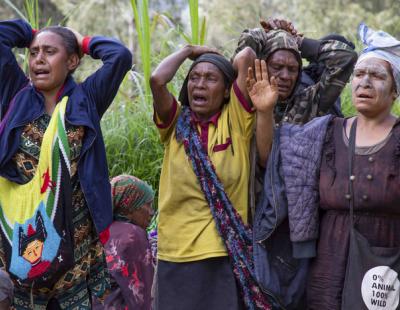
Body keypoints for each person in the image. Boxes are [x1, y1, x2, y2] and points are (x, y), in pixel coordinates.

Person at [257, 24, 400, 309]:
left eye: (377, 76)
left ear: (395, 90)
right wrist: (264, 111)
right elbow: (271, 159)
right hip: (327, 265)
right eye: (359, 74)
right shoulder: (324, 133)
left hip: (386, 267)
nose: (365, 82)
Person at [0, 19, 132, 309]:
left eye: (50, 51)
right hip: (19, 236)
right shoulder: (14, 93)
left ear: (72, 61)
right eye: (34, 52)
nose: (38, 60)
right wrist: (31, 34)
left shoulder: (86, 99)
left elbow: (120, 56)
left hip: (76, 240)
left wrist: (81, 40)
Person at [150, 44, 278, 309]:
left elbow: (246, 57)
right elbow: (157, 80)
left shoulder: (236, 120)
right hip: (174, 250)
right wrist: (188, 50)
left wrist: (213, 57)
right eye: (195, 78)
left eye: (211, 79)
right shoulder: (175, 124)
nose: (200, 85)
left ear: (227, 91)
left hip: (221, 251)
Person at [93, 175, 156, 310]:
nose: (151, 212)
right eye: (148, 205)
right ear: (130, 206)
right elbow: (141, 296)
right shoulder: (132, 235)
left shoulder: (101, 230)